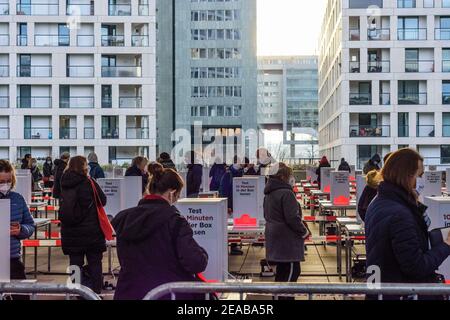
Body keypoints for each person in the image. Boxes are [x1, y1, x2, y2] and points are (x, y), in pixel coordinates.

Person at [112, 166, 208, 300]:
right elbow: (195, 262)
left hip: (129, 292)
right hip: (168, 293)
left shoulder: (125, 219)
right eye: (178, 195)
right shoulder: (175, 221)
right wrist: (203, 253)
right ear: (171, 192)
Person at [365, 149, 450, 298]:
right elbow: (416, 266)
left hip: (383, 289)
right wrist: (446, 245)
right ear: (407, 176)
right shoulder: (400, 214)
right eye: (420, 175)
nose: (422, 180)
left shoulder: (379, 202)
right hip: (401, 292)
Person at [59, 156, 107, 295]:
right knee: (95, 263)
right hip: (92, 230)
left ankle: (75, 292)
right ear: (84, 166)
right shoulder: (89, 182)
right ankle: (95, 293)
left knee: (74, 263)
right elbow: (102, 200)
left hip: (70, 230)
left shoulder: (64, 182)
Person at [264, 163, 308, 298]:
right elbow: (292, 218)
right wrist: (304, 231)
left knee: (282, 276)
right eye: (290, 175)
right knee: (290, 276)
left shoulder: (269, 193)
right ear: (282, 177)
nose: (292, 178)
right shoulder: (286, 193)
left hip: (276, 240)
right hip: (287, 243)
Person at [0, 160, 35, 300]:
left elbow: (30, 225)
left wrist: (21, 230)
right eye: (1, 181)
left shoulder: (18, 199)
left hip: (12, 259)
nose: (5, 185)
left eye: (8, 181)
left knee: (22, 296)